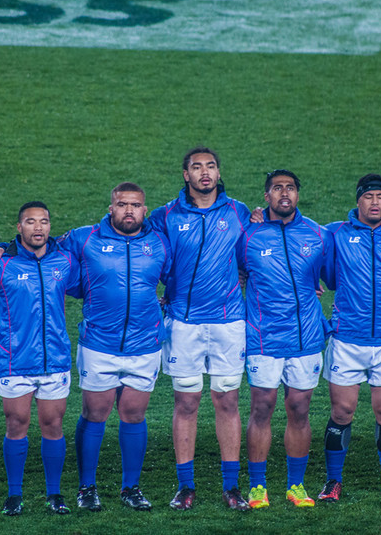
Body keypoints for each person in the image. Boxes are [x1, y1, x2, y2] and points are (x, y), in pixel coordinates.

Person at [147, 148, 252, 511]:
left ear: (219, 172)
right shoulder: (165, 216)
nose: (204, 173)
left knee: (227, 401)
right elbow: (137, 245)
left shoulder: (240, 212)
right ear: (185, 174)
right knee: (186, 402)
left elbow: (258, 251)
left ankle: (231, 486)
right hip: (184, 323)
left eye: (210, 166)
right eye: (196, 167)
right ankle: (186, 486)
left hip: (228, 322)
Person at [60, 182, 171, 512]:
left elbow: (179, 277)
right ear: (110, 208)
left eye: (135, 205)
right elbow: (43, 250)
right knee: (95, 414)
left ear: (144, 210)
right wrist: (1, 248)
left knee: (134, 415)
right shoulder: (85, 238)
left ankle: (131, 488)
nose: (128, 210)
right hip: (99, 344)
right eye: (122, 204)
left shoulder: (159, 242)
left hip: (145, 344)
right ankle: (86, 487)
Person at [0, 202, 80, 516]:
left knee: (53, 426)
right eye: (31, 222)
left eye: (44, 221)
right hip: (15, 362)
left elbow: (87, 289)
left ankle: (54, 494)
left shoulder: (64, 260)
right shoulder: (3, 265)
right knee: (16, 426)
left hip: (55, 360)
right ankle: (14, 495)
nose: (38, 228)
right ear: (18, 227)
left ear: (50, 227)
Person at [236, 170, 330, 509]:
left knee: (299, 409)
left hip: (305, 338)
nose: (284, 193)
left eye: (290, 187)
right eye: (277, 188)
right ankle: (258, 486)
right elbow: (234, 273)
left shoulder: (318, 234)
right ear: (267, 196)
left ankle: (296, 485)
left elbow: (332, 274)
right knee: (261, 408)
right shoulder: (249, 236)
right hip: (264, 337)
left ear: (298, 195)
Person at [319, 173, 381, 503]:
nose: (375, 202)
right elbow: (324, 271)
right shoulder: (336, 233)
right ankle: (333, 481)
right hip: (347, 339)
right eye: (369, 197)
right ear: (357, 201)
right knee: (342, 412)